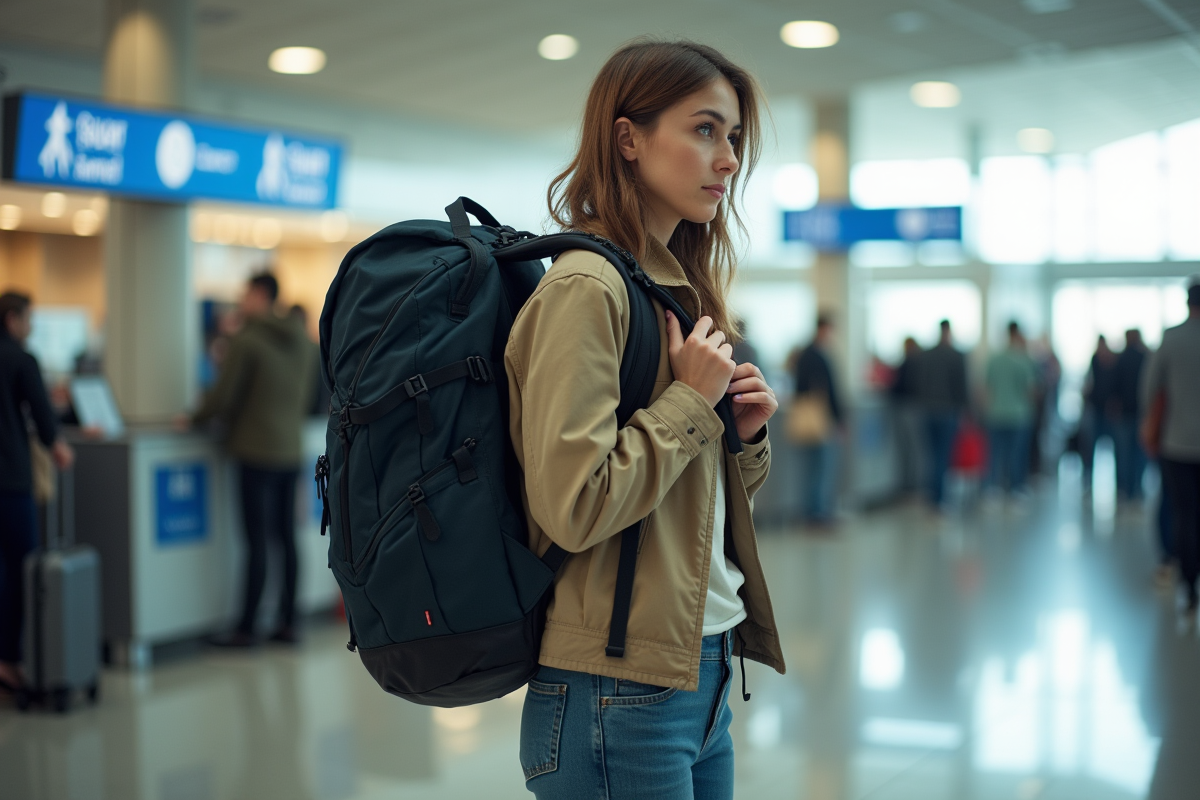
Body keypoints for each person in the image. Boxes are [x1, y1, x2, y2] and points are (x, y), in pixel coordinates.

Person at [505, 40, 784, 799]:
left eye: (732, 138)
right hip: (615, 690)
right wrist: (692, 405)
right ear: (628, 139)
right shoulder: (588, 287)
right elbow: (574, 504)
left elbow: (683, 514)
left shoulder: (673, 287)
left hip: (700, 670)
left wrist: (742, 438)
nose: (727, 159)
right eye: (704, 130)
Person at [183, 273, 315, 647]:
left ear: (259, 295)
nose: (241, 302)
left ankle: (247, 628)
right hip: (290, 450)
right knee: (286, 538)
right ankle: (289, 622)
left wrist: (192, 418)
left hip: (255, 451)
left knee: (256, 540)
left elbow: (223, 397)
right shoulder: (303, 342)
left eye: (245, 294)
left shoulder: (248, 339)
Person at [0, 291, 74, 693]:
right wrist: (60, 448)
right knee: (20, 566)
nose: (30, 328)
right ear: (12, 319)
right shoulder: (21, 359)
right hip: (9, 480)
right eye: (28, 320)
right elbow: (44, 417)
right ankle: (9, 659)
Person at [1142, 281, 1200, 615]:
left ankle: (1188, 586)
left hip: (1176, 442)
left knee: (1182, 513)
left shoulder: (1171, 339)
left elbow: (1150, 390)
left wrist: (1150, 428)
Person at [792, 314, 843, 524]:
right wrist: (838, 418)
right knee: (821, 466)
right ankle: (817, 513)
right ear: (823, 329)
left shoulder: (804, 354)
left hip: (810, 415)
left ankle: (814, 510)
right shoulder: (818, 355)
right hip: (820, 418)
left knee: (813, 467)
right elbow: (828, 390)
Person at [913, 320, 968, 509]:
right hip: (947, 411)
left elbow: (919, 383)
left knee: (930, 455)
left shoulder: (926, 355)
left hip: (926, 410)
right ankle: (940, 499)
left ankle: (931, 495)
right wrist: (964, 411)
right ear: (949, 332)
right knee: (943, 456)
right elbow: (961, 387)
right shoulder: (956, 356)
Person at [984, 322, 1038, 497]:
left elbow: (985, 390)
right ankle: (1015, 489)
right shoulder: (1022, 360)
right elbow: (1031, 391)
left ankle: (992, 489)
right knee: (1016, 455)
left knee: (995, 454)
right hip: (1018, 414)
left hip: (996, 413)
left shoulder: (994, 359)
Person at [1113, 328, 1148, 501]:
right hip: (1141, 414)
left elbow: (1114, 388)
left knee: (1123, 454)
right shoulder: (1145, 358)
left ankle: (1123, 490)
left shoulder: (1120, 359)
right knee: (1139, 455)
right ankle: (1137, 490)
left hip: (1124, 414)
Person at [1082, 334, 1119, 491]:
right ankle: (1087, 481)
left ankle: (1119, 485)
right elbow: (1089, 382)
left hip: (1110, 412)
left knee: (1116, 448)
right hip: (1095, 410)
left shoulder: (1114, 362)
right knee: (1090, 447)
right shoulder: (1094, 360)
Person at [891, 337, 924, 496]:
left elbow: (898, 386)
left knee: (908, 448)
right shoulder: (921, 363)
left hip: (906, 407)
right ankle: (914, 484)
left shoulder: (908, 363)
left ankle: (909, 485)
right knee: (915, 448)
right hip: (917, 407)